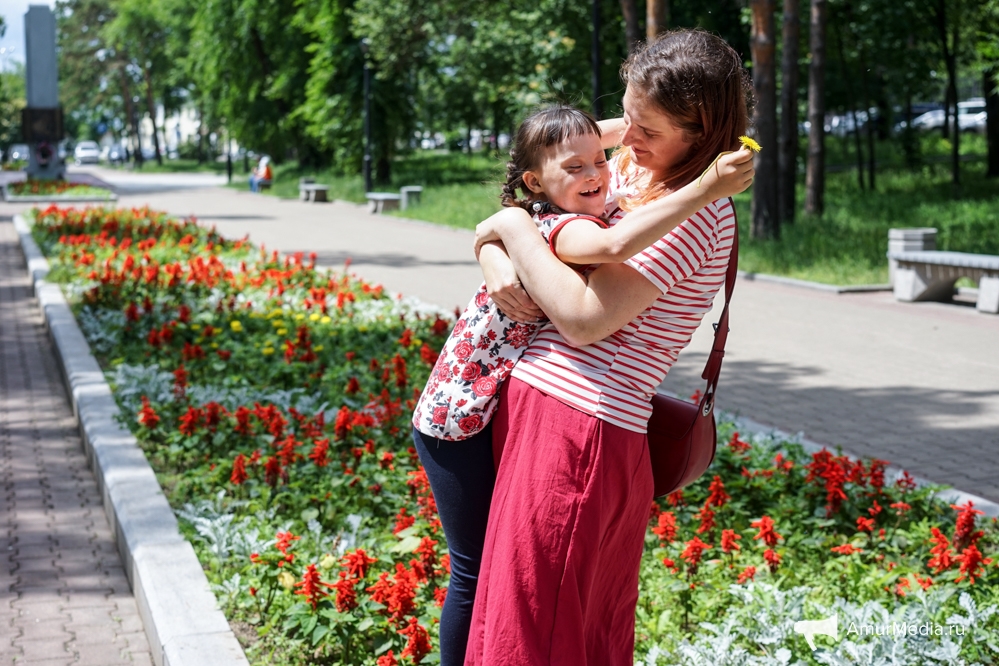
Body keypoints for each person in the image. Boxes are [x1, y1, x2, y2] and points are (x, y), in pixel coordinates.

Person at [411, 103, 753, 664]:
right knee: (475, 572)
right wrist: (704, 187)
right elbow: (613, 252)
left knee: (498, 580)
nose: (602, 168)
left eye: (606, 153)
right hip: (457, 416)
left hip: (498, 404)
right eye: (578, 167)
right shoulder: (563, 223)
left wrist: (497, 234)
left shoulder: (583, 192)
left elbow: (585, 150)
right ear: (536, 181)